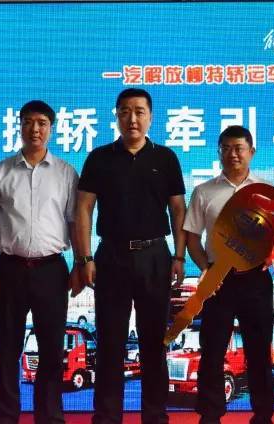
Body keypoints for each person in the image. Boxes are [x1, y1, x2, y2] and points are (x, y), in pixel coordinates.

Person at [76, 88, 186, 424]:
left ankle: (155, 415)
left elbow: (178, 210)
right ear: (117, 116)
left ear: (150, 117)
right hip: (111, 255)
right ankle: (107, 415)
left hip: (155, 255)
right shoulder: (99, 158)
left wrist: (179, 256)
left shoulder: (165, 158)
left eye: (139, 111)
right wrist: (85, 259)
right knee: (110, 341)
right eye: (125, 111)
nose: (132, 118)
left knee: (154, 341)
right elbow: (84, 208)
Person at [0, 100, 80, 424]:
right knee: (8, 347)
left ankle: (49, 415)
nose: (35, 129)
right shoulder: (2, 171)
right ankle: (7, 414)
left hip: (51, 270)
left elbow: (75, 222)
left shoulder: (65, 172)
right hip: (9, 269)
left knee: (51, 349)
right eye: (29, 122)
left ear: (51, 129)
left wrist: (80, 263)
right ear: (19, 126)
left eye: (42, 123)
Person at [184, 125, 274, 424]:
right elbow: (192, 238)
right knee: (212, 349)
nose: (232, 154)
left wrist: (273, 256)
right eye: (226, 148)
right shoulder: (204, 191)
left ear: (252, 152)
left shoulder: (267, 192)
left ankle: (263, 415)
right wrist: (206, 270)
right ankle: (210, 415)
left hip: (256, 279)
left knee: (259, 350)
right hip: (218, 279)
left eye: (239, 148)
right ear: (219, 152)